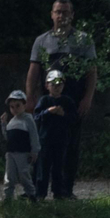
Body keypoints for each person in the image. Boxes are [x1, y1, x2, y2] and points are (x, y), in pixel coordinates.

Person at [25, 0, 97, 199]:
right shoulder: (42, 41)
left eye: (66, 12)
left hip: (72, 101)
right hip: (48, 102)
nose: (62, 16)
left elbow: (91, 72)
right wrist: (30, 98)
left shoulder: (83, 40)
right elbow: (33, 71)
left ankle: (65, 190)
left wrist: (87, 98)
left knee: (70, 146)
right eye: (58, 12)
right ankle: (37, 191)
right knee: (42, 146)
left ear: (72, 15)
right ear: (51, 14)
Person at [34, 69, 78, 200]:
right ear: (47, 86)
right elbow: (36, 117)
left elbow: (74, 119)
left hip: (61, 139)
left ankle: (58, 193)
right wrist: (48, 112)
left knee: (59, 168)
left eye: (59, 85)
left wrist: (63, 114)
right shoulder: (44, 100)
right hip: (45, 139)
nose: (56, 87)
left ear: (63, 86)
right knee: (43, 167)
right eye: (53, 85)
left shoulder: (67, 101)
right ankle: (40, 193)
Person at [0, 89, 39, 201]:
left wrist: (35, 150)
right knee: (9, 176)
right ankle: (8, 197)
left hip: (23, 152)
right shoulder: (11, 122)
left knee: (24, 175)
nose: (15, 109)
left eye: (18, 106)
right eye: (12, 107)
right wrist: (3, 124)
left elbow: (34, 135)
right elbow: (7, 137)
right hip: (11, 152)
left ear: (24, 105)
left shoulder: (28, 118)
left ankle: (31, 195)